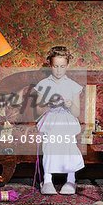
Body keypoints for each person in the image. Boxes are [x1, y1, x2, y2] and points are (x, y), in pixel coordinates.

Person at [34, 46, 84, 195]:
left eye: (62, 66)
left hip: (67, 118)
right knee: (50, 142)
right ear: (50, 65)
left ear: (67, 66)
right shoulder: (43, 85)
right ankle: (47, 180)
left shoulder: (73, 86)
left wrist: (69, 105)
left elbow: (76, 112)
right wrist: (48, 105)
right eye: (55, 66)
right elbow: (37, 111)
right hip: (50, 118)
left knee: (68, 142)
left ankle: (70, 180)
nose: (59, 70)